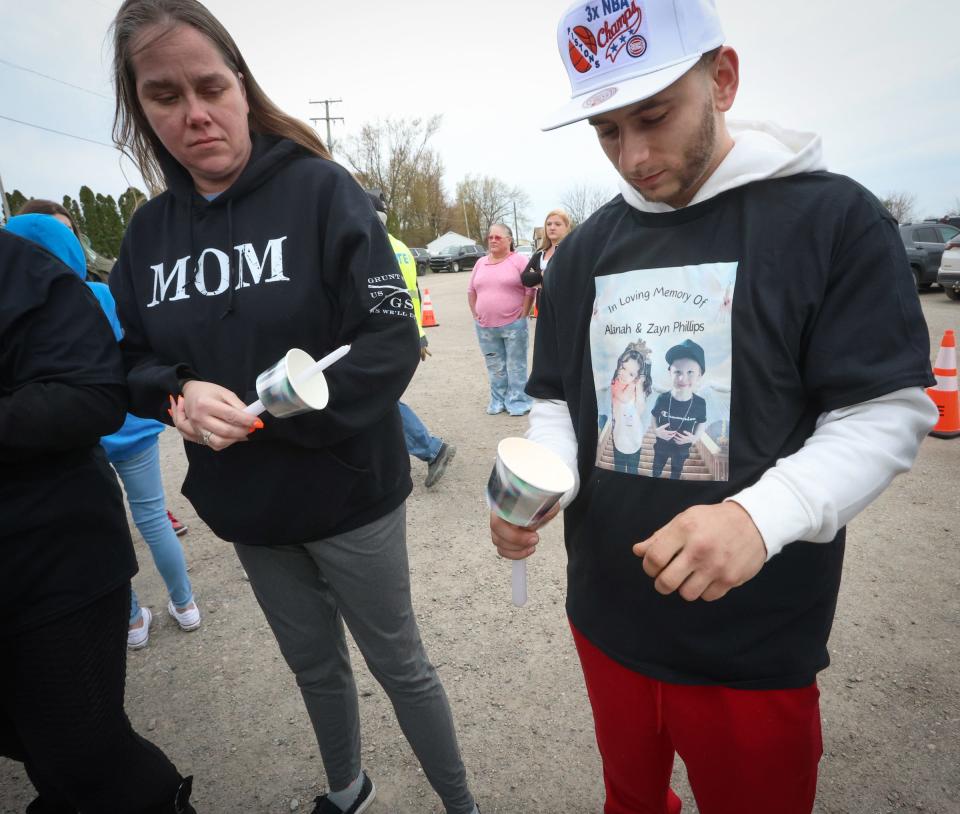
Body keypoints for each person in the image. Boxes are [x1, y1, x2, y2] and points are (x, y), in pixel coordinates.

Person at [491, 1, 938, 812]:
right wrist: (543, 480)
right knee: (630, 798)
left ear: (722, 79)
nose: (632, 155)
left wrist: (760, 517)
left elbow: (886, 410)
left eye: (653, 117)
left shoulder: (831, 220)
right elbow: (559, 397)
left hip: (753, 636)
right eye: (605, 132)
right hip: (608, 613)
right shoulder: (584, 251)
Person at [106, 2, 478, 813]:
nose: (195, 112)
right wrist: (175, 388)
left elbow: (390, 337)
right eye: (165, 95)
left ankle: (461, 804)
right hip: (247, 506)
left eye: (210, 85)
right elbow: (126, 360)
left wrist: (282, 407)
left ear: (242, 83)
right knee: (313, 664)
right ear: (142, 109)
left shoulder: (321, 191)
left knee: (399, 662)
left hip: (349, 491)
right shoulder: (145, 237)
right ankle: (348, 788)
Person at [0, 225, 196, 813]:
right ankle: (170, 608)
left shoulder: (31, 276)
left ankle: (174, 605)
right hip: (121, 452)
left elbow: (101, 385)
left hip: (52, 556)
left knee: (84, 747)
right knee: (42, 741)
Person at [6, 211, 201, 649]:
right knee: (153, 517)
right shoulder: (98, 292)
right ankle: (185, 604)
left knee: (102, 524)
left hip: (80, 442)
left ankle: (132, 622)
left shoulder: (20, 314)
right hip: (132, 431)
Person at [15, 197, 190, 537]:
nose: (59, 242)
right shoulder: (28, 306)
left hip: (124, 428)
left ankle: (181, 593)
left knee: (146, 515)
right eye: (51, 233)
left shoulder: (96, 291)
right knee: (103, 520)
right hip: (84, 436)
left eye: (66, 231)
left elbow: (130, 353)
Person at [367, 190, 456, 488]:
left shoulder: (373, 246)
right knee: (379, 400)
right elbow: (411, 295)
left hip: (384, 338)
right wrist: (419, 335)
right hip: (406, 335)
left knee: (378, 399)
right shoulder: (399, 246)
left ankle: (432, 449)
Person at [467, 223, 535, 416]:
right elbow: (471, 291)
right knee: (494, 365)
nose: (493, 240)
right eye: (490, 237)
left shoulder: (519, 261)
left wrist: (523, 313)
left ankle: (517, 401)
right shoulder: (480, 263)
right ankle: (498, 400)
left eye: (498, 237)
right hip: (485, 327)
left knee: (516, 365)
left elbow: (530, 290)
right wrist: (475, 314)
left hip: (514, 324)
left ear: (509, 240)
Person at [650, 340, 707, 480]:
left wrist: (694, 438)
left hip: (682, 449)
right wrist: (657, 431)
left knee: (676, 473)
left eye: (690, 372)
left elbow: (701, 422)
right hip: (661, 446)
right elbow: (653, 416)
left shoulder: (700, 403)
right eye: (677, 371)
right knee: (656, 470)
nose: (683, 378)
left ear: (700, 374)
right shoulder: (663, 399)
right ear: (670, 371)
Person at [610, 340, 652, 475]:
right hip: (619, 439)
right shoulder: (616, 384)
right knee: (619, 471)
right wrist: (634, 383)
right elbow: (623, 398)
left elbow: (640, 409)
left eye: (631, 374)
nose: (623, 374)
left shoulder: (637, 388)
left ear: (638, 376)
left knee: (633, 471)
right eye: (623, 368)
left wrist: (639, 386)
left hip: (635, 439)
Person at [520, 208, 572, 311]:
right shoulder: (540, 254)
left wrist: (537, 277)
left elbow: (565, 280)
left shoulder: (571, 251)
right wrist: (542, 274)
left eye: (557, 224)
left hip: (565, 310)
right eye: (548, 224)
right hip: (542, 309)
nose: (552, 227)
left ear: (566, 227)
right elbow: (525, 279)